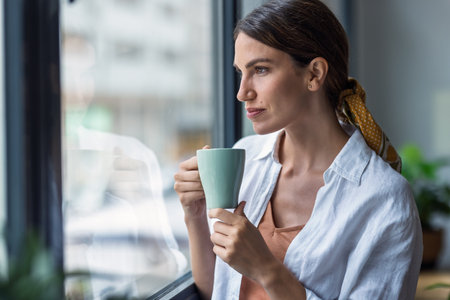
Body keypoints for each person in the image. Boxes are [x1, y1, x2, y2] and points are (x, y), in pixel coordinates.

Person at [174, 0, 423, 299]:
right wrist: (195, 215)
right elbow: (216, 291)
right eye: (241, 72)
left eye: (261, 69)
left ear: (314, 74)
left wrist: (267, 269)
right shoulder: (246, 158)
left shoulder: (384, 200)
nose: (243, 92)